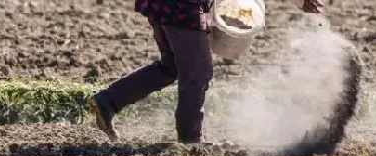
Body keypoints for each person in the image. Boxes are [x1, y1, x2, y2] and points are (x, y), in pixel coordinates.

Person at [88, 0, 325, 143]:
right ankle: (190, 140)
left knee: (172, 65)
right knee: (198, 73)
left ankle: (108, 101)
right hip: (181, 7)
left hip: (163, 6)